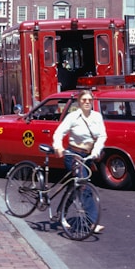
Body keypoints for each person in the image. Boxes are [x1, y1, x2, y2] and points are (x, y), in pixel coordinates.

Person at [52, 89, 107, 234]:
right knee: (83, 187)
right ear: (79, 102)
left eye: (90, 100)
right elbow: (59, 132)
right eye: (84, 100)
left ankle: (61, 212)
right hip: (73, 155)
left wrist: (96, 151)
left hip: (88, 157)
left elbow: (102, 136)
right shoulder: (73, 117)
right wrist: (58, 147)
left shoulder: (97, 117)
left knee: (73, 186)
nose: (87, 102)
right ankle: (92, 222)